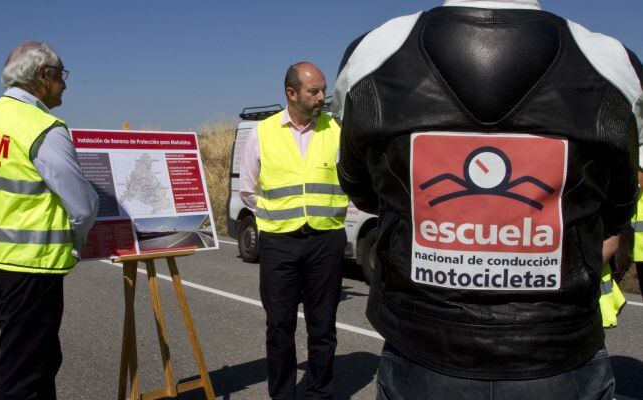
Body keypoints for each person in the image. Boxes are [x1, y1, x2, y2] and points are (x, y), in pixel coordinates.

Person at [333, 1, 642, 399]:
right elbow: (618, 204)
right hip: (560, 353)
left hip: (423, 351)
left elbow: (362, 187)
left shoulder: (373, 53)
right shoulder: (612, 62)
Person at [0, 40, 99, 400]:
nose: (65, 85)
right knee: (26, 372)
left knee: (28, 358)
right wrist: (77, 242)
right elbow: (83, 205)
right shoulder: (44, 127)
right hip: (30, 267)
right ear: (43, 76)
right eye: (61, 76)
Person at [239, 62, 348, 400]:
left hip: (326, 240)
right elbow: (248, 189)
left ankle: (319, 394)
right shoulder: (263, 132)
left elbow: (354, 180)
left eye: (323, 90)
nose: (322, 97)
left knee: (323, 327)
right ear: (291, 93)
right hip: (279, 243)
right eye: (314, 91)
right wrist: (278, 217)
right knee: (280, 328)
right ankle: (283, 395)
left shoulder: (338, 130)